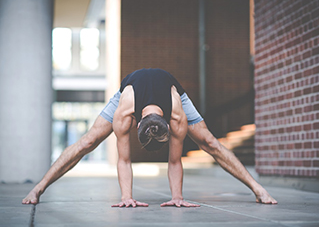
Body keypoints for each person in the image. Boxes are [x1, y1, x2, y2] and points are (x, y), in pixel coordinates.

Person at [22, 68, 277, 207]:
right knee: (88, 141)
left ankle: (258, 189)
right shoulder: (124, 112)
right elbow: (124, 160)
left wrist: (177, 198)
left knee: (209, 142)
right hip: (130, 90)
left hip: (173, 91)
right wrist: (126, 197)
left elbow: (175, 161)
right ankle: (39, 188)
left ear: (168, 124)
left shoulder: (177, 115)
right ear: (134, 125)